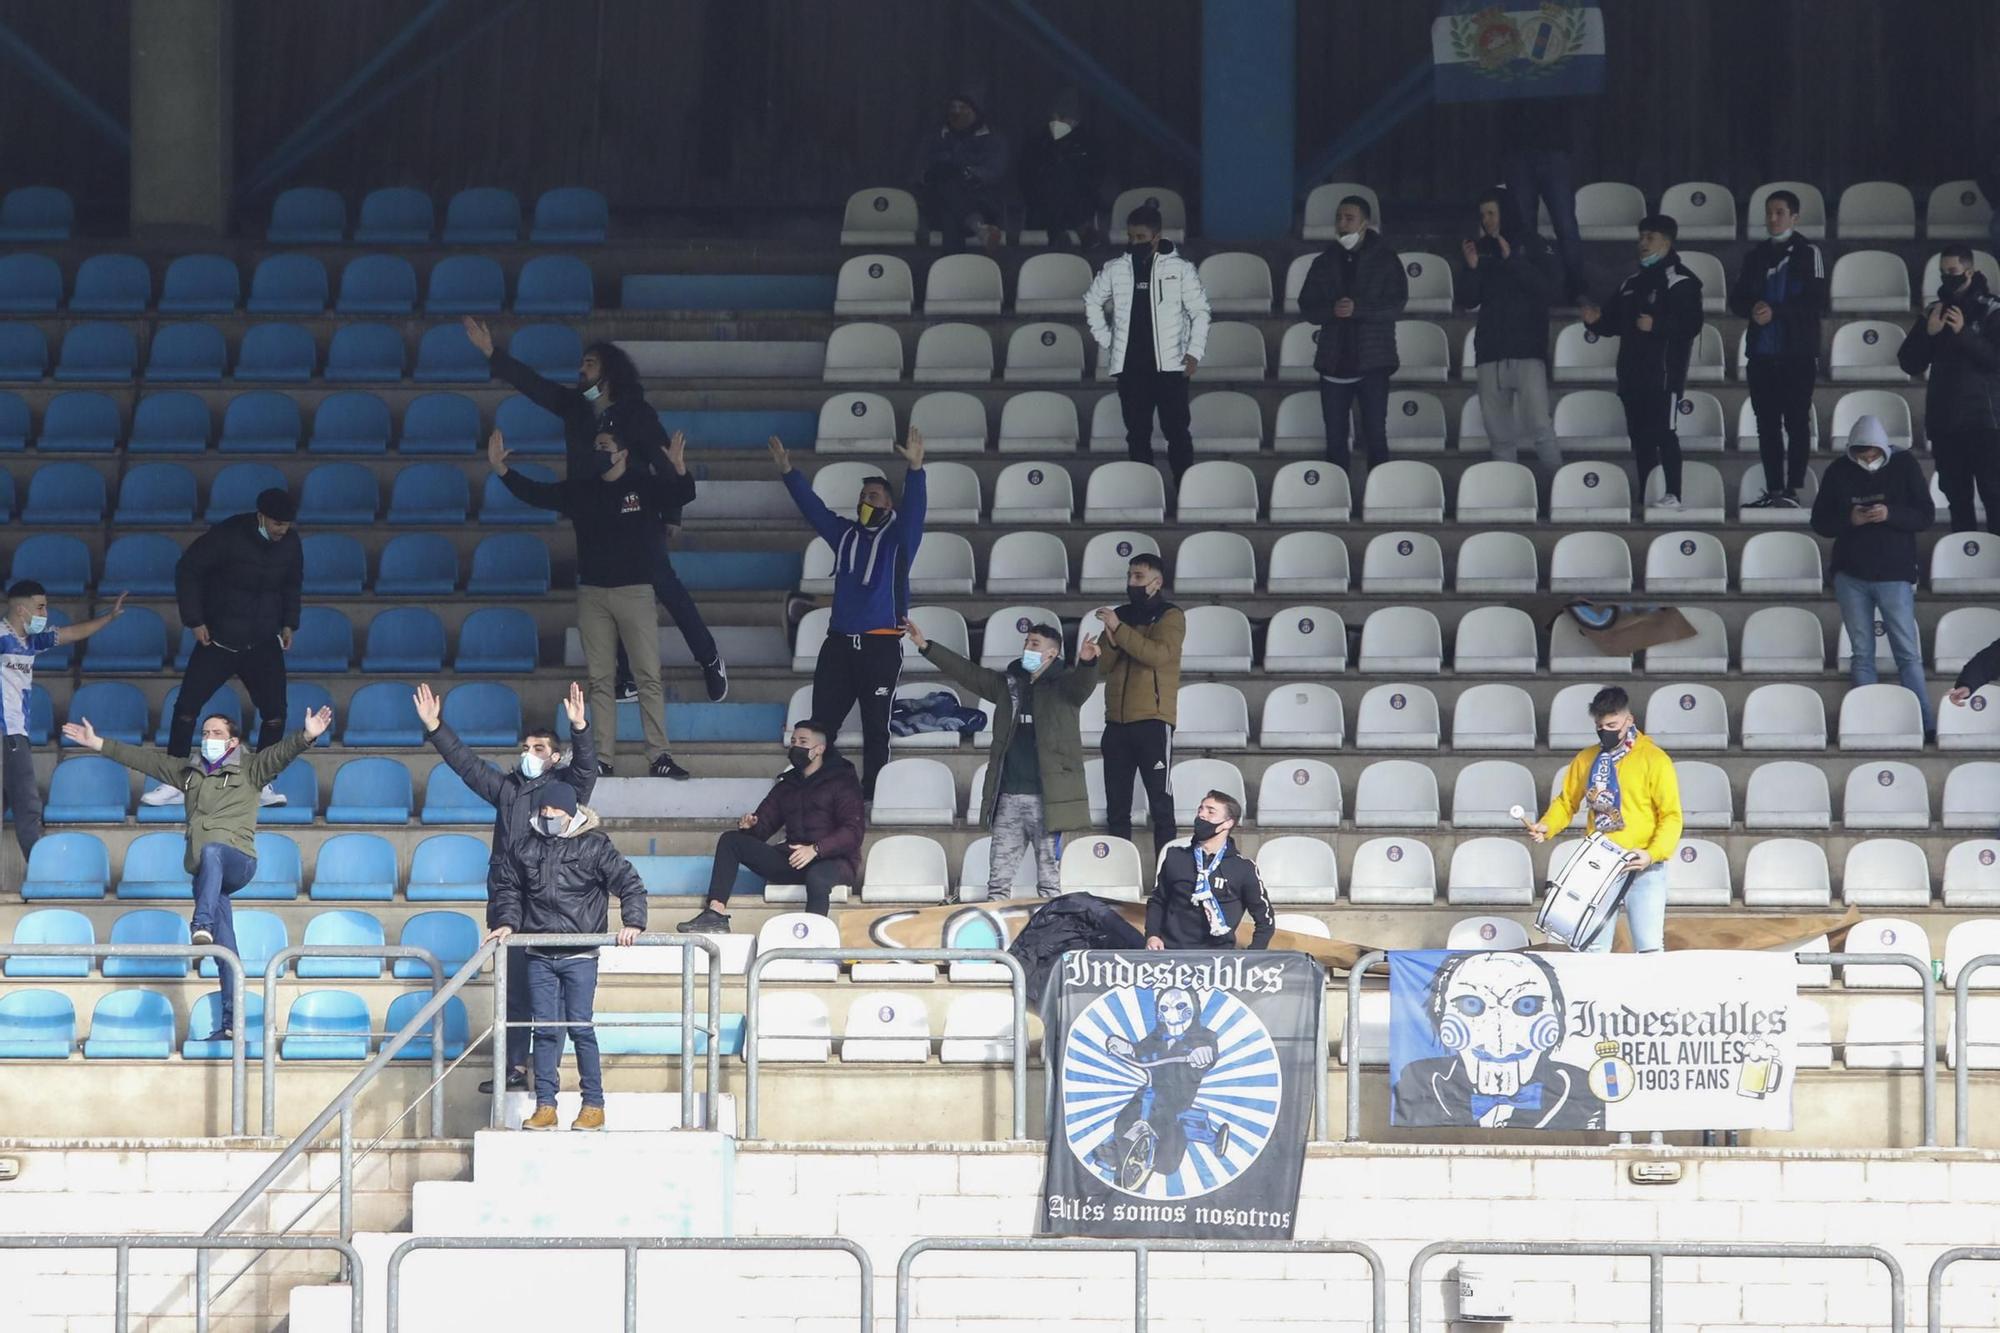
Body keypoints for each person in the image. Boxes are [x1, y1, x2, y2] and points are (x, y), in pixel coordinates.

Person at [462, 316, 726, 704]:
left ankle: (709, 657)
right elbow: (536, 387)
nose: (580, 369)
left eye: (589, 363)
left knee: (666, 587)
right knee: (604, 587)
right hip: (592, 512)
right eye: (581, 364)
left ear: (609, 371)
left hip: (637, 512)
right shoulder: (576, 407)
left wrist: (672, 514)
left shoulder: (636, 411)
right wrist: (492, 353)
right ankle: (625, 676)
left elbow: (663, 459)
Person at [65, 705, 333, 1038]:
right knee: (225, 952)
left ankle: (200, 923)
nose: (209, 738)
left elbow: (282, 754)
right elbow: (146, 761)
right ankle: (231, 1025)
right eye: (205, 733)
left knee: (213, 851)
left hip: (238, 860)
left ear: (233, 742)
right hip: (207, 875)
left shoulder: (250, 768)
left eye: (216, 733)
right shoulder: (189, 771)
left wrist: (306, 734)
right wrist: (99, 744)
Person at [413, 679, 594, 1094]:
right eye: (526, 748)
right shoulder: (507, 789)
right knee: (512, 991)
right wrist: (436, 726)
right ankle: (513, 1068)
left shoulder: (567, 789)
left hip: (553, 904)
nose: (530, 756)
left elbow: (586, 768)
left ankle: (544, 1070)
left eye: (539, 749)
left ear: (555, 755)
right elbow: (467, 765)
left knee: (553, 999)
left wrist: (581, 729)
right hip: (509, 904)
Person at [487, 425, 691, 779]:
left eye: (605, 445)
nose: (597, 450)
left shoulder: (641, 484)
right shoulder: (583, 489)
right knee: (600, 680)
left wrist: (678, 467)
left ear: (623, 453)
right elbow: (539, 494)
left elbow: (682, 493)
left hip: (636, 591)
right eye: (595, 444)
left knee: (648, 676)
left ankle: (660, 755)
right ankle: (603, 759)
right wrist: (502, 469)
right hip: (593, 593)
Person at [770, 429, 926, 802]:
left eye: (872, 496)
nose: (864, 501)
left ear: (889, 505)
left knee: (876, 727)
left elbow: (916, 512)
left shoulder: (898, 540)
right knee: (822, 725)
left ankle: (871, 795)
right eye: (861, 497)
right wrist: (788, 471)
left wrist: (916, 469)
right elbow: (814, 511)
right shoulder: (845, 535)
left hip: (880, 646)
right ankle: (826, 787)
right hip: (838, 645)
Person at [486, 780, 646, 1132]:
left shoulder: (595, 845)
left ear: (571, 814)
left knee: (580, 1028)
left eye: (554, 813)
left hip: (580, 955)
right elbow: (509, 887)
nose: (547, 817)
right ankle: (546, 1106)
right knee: (543, 1030)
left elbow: (629, 883)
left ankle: (593, 1104)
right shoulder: (526, 847)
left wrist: (633, 922)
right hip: (539, 953)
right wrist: (507, 923)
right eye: (543, 812)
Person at [904, 616, 1097, 899]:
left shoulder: (1064, 686)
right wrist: (925, 646)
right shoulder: (1009, 685)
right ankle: (996, 941)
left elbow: (1083, 685)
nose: (1027, 648)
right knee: (998, 883)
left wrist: (1088, 662)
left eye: (1034, 644)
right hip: (1008, 796)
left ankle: (1051, 939)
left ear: (1052, 653)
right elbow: (968, 673)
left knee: (1049, 884)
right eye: (1026, 643)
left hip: (1050, 800)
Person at [153, 487, 303, 808]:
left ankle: (260, 784)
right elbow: (188, 569)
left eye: (287, 525)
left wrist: (289, 623)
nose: (282, 531)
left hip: (263, 640)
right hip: (218, 638)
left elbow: (293, 583)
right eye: (277, 524)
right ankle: (176, 781)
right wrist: (195, 620)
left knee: (275, 715)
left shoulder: (290, 543)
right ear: (262, 516)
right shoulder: (229, 534)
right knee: (186, 709)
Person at [1811, 414, 1938, 741]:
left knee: (1907, 652)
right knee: (1862, 652)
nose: (1868, 461)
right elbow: (1820, 522)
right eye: (1861, 456)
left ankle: (1924, 722)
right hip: (1851, 574)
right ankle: (1864, 722)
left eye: (1873, 455)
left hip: (1894, 573)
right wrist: (1850, 519)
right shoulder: (1839, 471)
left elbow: (1925, 515)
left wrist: (1890, 514)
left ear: (1883, 450)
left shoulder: (1905, 465)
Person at [1523, 687, 1679, 953]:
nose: (1605, 730)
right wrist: (1547, 826)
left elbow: (1671, 815)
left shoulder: (1654, 759)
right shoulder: (1586, 759)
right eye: (1600, 726)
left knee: (1650, 948)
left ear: (1629, 720)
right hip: (1599, 864)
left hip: (1642, 864)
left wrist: (1652, 854)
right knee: (1593, 946)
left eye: (1612, 725)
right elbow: (1566, 801)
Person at [679, 720, 864, 933]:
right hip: (794, 859)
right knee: (731, 841)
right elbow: (764, 827)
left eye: (803, 742)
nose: (796, 747)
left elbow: (853, 831)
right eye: (793, 741)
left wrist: (815, 850)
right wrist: (750, 827)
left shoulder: (842, 782)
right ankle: (715, 914)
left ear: (819, 749)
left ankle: (812, 937)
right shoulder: (787, 785)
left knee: (817, 878)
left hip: (835, 861)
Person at [1392, 951, 1605, 1130]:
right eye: (1471, 1005)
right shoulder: (1420, 1080)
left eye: (1526, 1005)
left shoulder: (1582, 1087)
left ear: (1556, 1021)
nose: (1499, 1037)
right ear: (1442, 1018)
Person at [1579, 214, 1703, 508]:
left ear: (1667, 241)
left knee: (1664, 432)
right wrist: (1594, 323)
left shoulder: (1682, 281)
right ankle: (1647, 492)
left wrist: (1657, 325)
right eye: (1641, 237)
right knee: (1641, 437)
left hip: (1664, 375)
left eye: (1650, 237)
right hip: (1632, 374)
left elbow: (1691, 325)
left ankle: (1674, 493)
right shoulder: (1631, 283)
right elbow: (1613, 323)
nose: (1643, 243)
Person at [1084, 203, 1212, 487]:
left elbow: (1200, 311)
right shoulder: (1116, 268)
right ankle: (1145, 492)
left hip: (1171, 367)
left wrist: (1194, 352)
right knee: (1137, 435)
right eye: (1131, 237)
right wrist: (1109, 341)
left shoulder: (1181, 269)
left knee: (1177, 432)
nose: (1134, 243)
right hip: (1131, 368)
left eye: (1141, 237)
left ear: (1156, 236)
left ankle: (1186, 493)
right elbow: (1092, 301)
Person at [2, 582, 128, 857]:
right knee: (26, 802)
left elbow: (71, 633)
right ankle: (40, 867)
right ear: (21, 610)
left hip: (16, 732)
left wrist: (108, 617)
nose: (45, 613)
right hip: (6, 733)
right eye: (41, 607)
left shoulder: (31, 640)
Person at [1297, 194, 1409, 480]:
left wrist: (1359, 309)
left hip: (1373, 360)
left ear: (1365, 223)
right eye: (1339, 218)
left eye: (1349, 218)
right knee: (1335, 440)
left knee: (1375, 435)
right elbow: (1307, 306)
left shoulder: (1386, 259)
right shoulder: (1324, 261)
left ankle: (1381, 497)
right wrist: (1331, 310)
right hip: (1333, 361)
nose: (1342, 224)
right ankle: (1337, 497)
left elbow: (1396, 304)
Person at [1732, 189, 1829, 510]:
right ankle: (1774, 488)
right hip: (1761, 353)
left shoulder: (1808, 252)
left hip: (1797, 353)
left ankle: (1794, 488)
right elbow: (1737, 300)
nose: (1773, 219)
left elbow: (1817, 302)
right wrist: (1754, 306)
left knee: (1797, 421)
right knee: (1767, 423)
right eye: (1769, 212)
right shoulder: (1755, 256)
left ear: (1794, 217)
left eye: (1779, 212)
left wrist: (1777, 311)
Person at [1459, 186, 1563, 480]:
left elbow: (1550, 290)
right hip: (1490, 351)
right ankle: (1508, 493)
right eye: (1483, 215)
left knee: (1541, 428)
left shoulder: (1534, 244)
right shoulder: (1480, 249)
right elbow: (1468, 300)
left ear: (1507, 212)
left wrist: (1513, 261)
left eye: (1492, 213)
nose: (1488, 220)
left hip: (1527, 350)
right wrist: (1472, 269)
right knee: (1499, 437)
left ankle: (1561, 491)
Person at [1897, 244, 2000, 533]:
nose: (1947, 278)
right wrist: (1929, 335)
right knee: (1957, 498)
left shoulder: (1992, 309)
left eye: (1952, 272)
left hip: (1986, 422)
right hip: (1945, 422)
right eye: (1943, 273)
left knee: (1994, 495)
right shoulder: (1935, 310)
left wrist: (1963, 333)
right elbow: (1908, 362)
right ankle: (1965, 562)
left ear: (1969, 271)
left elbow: (1996, 360)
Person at [1091, 553, 1184, 865]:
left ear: (1156, 583)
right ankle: (1118, 872)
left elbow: (1157, 655)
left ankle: (1166, 876)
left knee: (1160, 804)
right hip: (1116, 723)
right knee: (1117, 806)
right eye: (1130, 576)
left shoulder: (1170, 616)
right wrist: (1109, 644)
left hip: (1153, 722)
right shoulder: (1121, 615)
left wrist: (1120, 630)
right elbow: (1102, 666)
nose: (1132, 582)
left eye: (1139, 577)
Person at [1144, 791, 1273, 951]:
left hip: (1217, 960)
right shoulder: (1175, 857)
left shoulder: (1243, 868)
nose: (1202, 815)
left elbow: (1265, 919)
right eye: (1200, 809)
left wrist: (1252, 957)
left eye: (1211, 811)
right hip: (1171, 954)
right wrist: (1152, 935)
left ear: (1227, 823)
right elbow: (1158, 901)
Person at [1501, 95, 1590, 301]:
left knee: (1565, 225)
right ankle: (1527, 290)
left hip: (1554, 147)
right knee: (1523, 228)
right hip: (1518, 147)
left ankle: (1577, 289)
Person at [913, 84, 1009, 253]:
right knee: (946, 185)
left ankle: (950, 274)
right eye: (953, 107)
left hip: (983, 204)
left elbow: (994, 172)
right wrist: (935, 172)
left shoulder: (994, 139)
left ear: (976, 111)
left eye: (963, 107)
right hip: (936, 204)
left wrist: (967, 173)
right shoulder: (935, 137)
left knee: (950, 214)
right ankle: (980, 229)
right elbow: (919, 171)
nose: (957, 112)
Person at [1017, 88, 1102, 247]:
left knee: (1065, 180)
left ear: (1074, 121)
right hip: (1042, 202)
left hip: (1078, 201)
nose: (1056, 122)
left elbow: (1093, 177)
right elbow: (1027, 175)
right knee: (1055, 181)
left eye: (1062, 118)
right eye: (1054, 117)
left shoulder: (1088, 144)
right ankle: (1080, 230)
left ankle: (1059, 234)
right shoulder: (1038, 142)